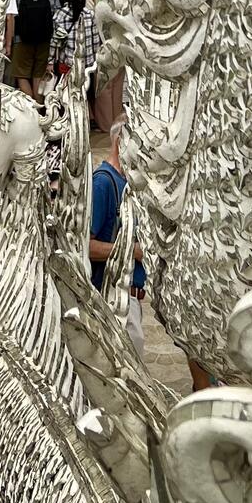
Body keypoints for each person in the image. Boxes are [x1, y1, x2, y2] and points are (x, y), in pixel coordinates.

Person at [89, 123, 146, 359]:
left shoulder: (128, 183)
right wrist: (132, 251)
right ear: (120, 142)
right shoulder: (102, 183)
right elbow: (86, 246)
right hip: (112, 298)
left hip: (128, 298)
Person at [3, 0, 54, 97]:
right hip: (44, 38)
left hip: (21, 38)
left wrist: (8, 42)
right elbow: (55, 14)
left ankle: (31, 108)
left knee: (21, 75)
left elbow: (10, 15)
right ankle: (39, 109)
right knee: (38, 74)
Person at [88, 0, 121, 131]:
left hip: (102, 46)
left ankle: (106, 124)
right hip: (119, 44)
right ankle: (117, 121)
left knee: (104, 87)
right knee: (117, 86)